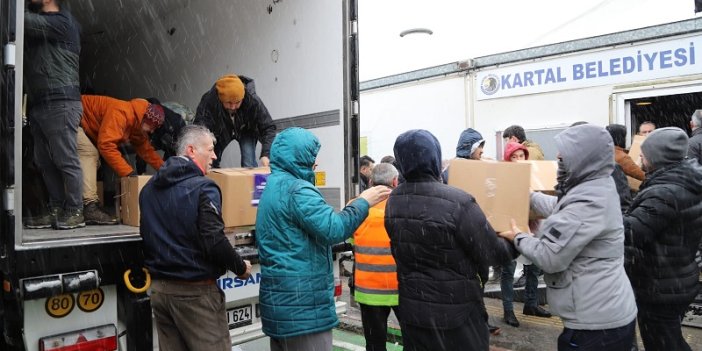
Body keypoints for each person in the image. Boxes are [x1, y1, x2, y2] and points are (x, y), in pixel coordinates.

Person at [499, 124, 637, 351]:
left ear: (584, 157)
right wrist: (529, 195)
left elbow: (549, 256)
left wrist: (518, 237)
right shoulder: (595, 185)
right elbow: (560, 207)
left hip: (596, 325)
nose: (559, 157)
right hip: (601, 312)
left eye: (565, 154)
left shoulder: (589, 199)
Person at [256, 127, 390, 351]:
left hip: (283, 305)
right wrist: (363, 202)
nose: (315, 165)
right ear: (299, 158)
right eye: (311, 159)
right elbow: (334, 230)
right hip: (303, 310)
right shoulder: (298, 190)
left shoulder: (272, 186)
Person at [385, 129, 516, 351]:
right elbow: (492, 254)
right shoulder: (458, 202)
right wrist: (515, 240)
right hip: (457, 313)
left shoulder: (394, 200)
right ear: (434, 156)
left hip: (413, 311)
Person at [139, 124, 252, 351]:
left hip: (161, 292)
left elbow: (148, 235)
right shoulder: (204, 188)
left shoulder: (149, 189)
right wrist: (240, 267)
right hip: (196, 295)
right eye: (210, 150)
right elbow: (214, 240)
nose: (214, 156)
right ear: (191, 150)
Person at [623, 127, 702, 351]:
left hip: (659, 286)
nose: (640, 157)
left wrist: (607, 216)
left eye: (644, 154)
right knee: (670, 338)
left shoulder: (664, 192)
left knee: (662, 343)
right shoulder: (687, 181)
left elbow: (631, 233)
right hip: (677, 277)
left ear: (657, 158)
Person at [23, 0, 84, 230]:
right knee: (44, 162)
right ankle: (56, 208)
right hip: (41, 104)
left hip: (60, 102)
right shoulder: (44, 27)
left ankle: (75, 211)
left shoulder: (63, 23)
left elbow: (24, 22)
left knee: (66, 160)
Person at [77, 95, 166, 224]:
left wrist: (166, 169)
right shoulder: (122, 112)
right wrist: (129, 173)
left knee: (92, 164)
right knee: (89, 154)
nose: (152, 132)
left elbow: (146, 150)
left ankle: (75, 205)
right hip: (73, 116)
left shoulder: (138, 122)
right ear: (146, 120)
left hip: (84, 124)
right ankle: (89, 206)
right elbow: (106, 146)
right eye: (153, 127)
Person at [499, 142, 551, 328]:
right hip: (510, 230)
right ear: (508, 160)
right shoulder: (502, 179)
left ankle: (531, 304)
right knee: (508, 270)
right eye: (515, 156)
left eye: (522, 156)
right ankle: (508, 310)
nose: (519, 160)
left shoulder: (534, 176)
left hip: (533, 228)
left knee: (534, 269)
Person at [353, 163, 401, 351]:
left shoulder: (356, 206)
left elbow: (351, 237)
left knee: (374, 345)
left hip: (369, 291)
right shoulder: (402, 206)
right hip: (400, 288)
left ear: (371, 181)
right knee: (415, 341)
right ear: (395, 181)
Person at [194, 74, 276, 168]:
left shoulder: (253, 101)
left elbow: (268, 127)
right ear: (220, 99)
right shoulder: (209, 101)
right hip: (220, 131)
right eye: (228, 102)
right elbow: (199, 129)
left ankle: (248, 180)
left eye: (237, 102)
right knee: (211, 162)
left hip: (246, 129)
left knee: (248, 162)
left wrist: (266, 154)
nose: (233, 107)